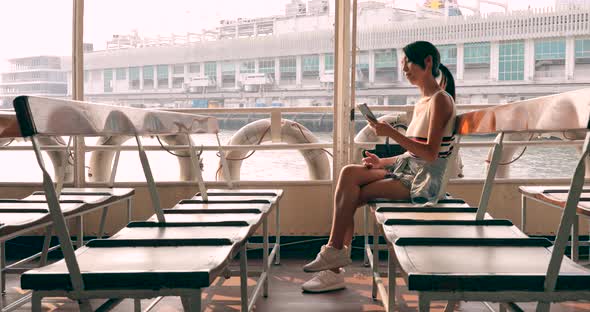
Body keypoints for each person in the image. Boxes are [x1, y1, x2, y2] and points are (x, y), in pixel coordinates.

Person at [301, 41, 457, 293]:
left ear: (427, 62)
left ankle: (333, 266)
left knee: (352, 196)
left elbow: (429, 155)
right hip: (408, 170)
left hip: (423, 183)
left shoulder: (440, 101)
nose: (404, 69)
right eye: (402, 64)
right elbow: (411, 152)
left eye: (407, 62)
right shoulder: (423, 102)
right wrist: (381, 162)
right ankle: (334, 257)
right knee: (348, 173)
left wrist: (392, 134)